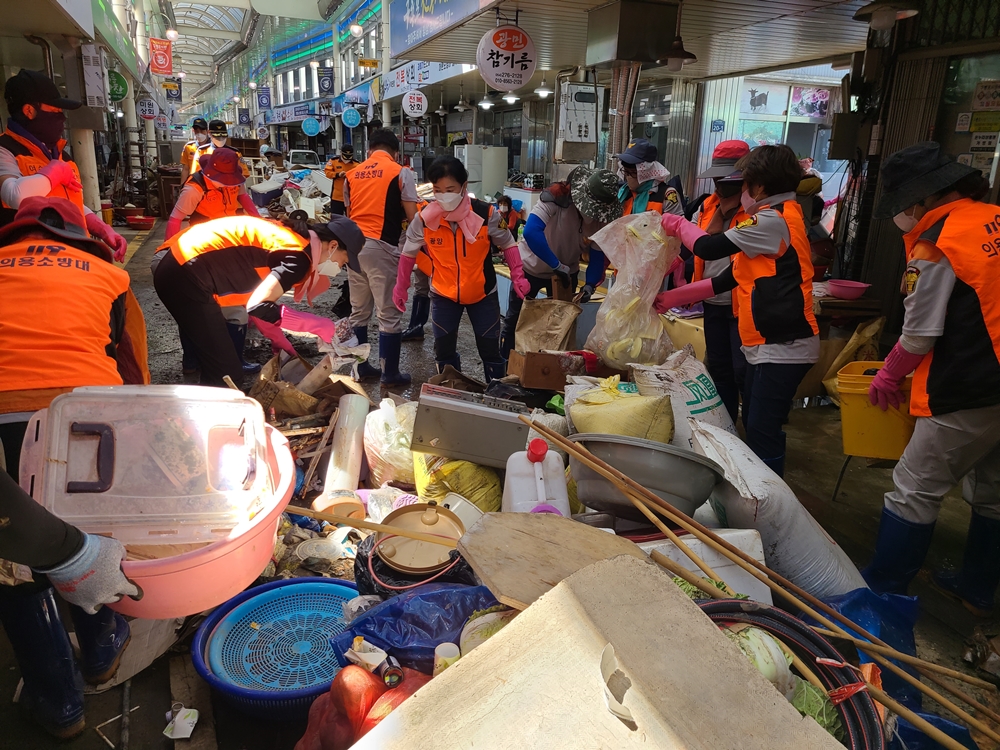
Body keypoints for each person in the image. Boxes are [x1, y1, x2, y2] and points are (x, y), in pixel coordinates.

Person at [0, 196, 143, 739]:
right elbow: (129, 361)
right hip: (90, 413)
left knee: (13, 562)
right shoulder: (107, 274)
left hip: (5, 422)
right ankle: (102, 646)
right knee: (89, 529)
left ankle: (59, 704)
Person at [859, 142, 1000, 615]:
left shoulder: (938, 243)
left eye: (902, 204)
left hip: (970, 383)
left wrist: (888, 375)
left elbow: (918, 337)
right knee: (993, 487)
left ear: (921, 199)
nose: (901, 214)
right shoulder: (992, 219)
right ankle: (979, 588)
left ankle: (883, 594)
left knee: (914, 487)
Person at [655, 144, 819, 477]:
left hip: (784, 345)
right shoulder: (774, 219)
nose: (741, 192)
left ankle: (766, 497)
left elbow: (707, 246)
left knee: (760, 428)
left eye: (744, 185)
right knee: (759, 424)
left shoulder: (771, 221)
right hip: (769, 344)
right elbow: (727, 279)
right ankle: (761, 488)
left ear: (758, 186)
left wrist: (675, 224)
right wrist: (672, 298)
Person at [154, 215, 362, 387]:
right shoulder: (299, 256)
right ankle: (211, 428)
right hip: (184, 275)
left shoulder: (296, 240)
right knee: (226, 376)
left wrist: (281, 342)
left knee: (219, 366)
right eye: (344, 261)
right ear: (333, 245)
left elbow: (259, 302)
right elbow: (259, 306)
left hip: (178, 267)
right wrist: (315, 325)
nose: (339, 268)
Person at [393, 156, 529, 382]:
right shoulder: (425, 219)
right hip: (443, 294)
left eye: (450, 189)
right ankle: (452, 395)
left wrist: (518, 275)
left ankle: (496, 394)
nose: (443, 195)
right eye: (437, 190)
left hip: (483, 294)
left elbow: (507, 243)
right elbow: (408, 252)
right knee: (443, 350)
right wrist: (400, 286)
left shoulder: (486, 215)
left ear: (464, 187)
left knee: (490, 351)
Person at [0, 69, 128, 262]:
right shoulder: (5, 150)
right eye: (55, 111)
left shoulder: (60, 153)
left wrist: (103, 229)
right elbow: (14, 195)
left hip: (73, 257)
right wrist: (55, 171)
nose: (62, 118)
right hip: (30, 261)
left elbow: (72, 202)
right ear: (29, 111)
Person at [500, 166, 622, 360]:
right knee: (516, 320)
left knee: (560, 328)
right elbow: (531, 232)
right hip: (532, 268)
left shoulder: (602, 216)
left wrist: (590, 284)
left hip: (567, 272)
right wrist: (556, 264)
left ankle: (551, 372)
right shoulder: (555, 199)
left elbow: (598, 253)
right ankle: (505, 364)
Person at [166, 148, 264, 375]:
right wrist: (169, 254)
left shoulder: (234, 178)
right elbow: (174, 220)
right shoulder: (194, 188)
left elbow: (245, 200)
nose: (230, 184)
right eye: (225, 181)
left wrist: (260, 223)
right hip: (199, 249)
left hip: (228, 246)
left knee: (235, 305)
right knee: (192, 308)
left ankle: (234, 361)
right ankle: (191, 362)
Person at [343, 128, 417, 385]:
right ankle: (390, 373)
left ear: (369, 151)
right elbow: (413, 217)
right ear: (396, 152)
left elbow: (350, 212)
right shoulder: (400, 171)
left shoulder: (351, 175)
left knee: (359, 311)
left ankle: (361, 369)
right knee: (388, 312)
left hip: (352, 247)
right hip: (380, 247)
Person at [690, 140, 751, 425]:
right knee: (719, 369)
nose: (720, 184)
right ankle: (726, 427)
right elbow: (695, 245)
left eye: (727, 179)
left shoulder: (755, 212)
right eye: (717, 178)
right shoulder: (706, 206)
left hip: (743, 304)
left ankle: (752, 428)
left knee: (744, 371)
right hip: (712, 301)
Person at [617, 138, 684, 218]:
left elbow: (676, 227)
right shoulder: (622, 193)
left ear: (647, 171)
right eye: (626, 172)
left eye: (633, 172)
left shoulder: (666, 196)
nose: (628, 177)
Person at [324, 143, 358, 215]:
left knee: (351, 219)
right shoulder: (333, 161)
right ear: (341, 153)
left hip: (351, 198)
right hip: (337, 197)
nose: (347, 158)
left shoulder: (357, 165)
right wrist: (337, 175)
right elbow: (327, 173)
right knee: (336, 219)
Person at [179, 117, 209, 183]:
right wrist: (182, 187)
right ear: (193, 131)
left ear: (207, 131)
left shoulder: (214, 148)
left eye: (202, 131)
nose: (199, 133)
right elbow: (185, 169)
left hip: (210, 185)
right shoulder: (188, 147)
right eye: (197, 131)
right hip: (194, 183)